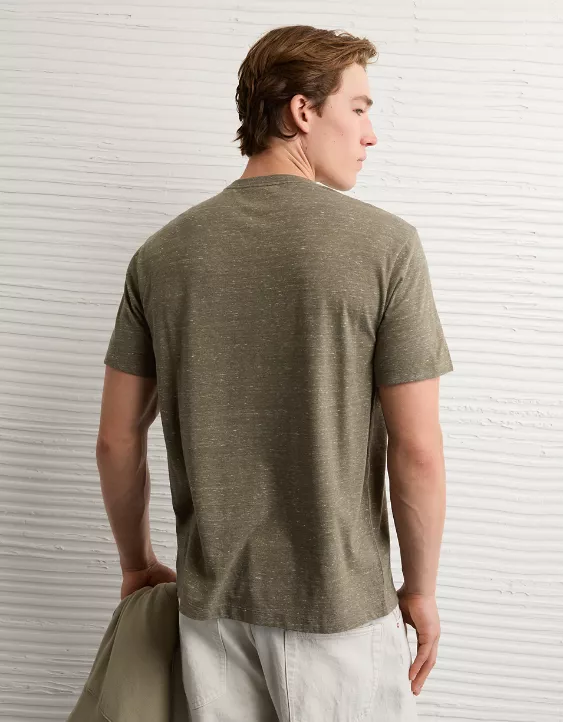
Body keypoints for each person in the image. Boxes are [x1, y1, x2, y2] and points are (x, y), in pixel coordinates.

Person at [97, 23, 454, 722]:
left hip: (211, 614)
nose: (370, 133)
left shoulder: (160, 256)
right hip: (341, 613)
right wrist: (420, 588)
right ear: (301, 111)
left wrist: (136, 563)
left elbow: (116, 439)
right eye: (358, 108)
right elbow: (416, 449)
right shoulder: (386, 247)